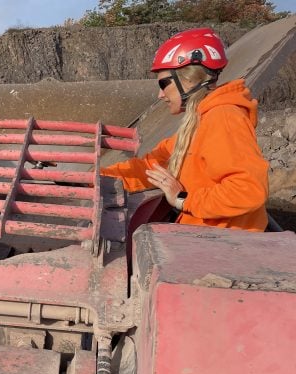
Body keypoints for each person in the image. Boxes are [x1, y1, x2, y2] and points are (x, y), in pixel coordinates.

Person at [102, 28, 269, 231]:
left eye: (164, 84)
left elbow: (248, 190)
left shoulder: (223, 117)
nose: (160, 95)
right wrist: (91, 179)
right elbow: (150, 167)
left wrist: (183, 199)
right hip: (204, 238)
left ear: (189, 78)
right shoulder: (199, 123)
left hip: (225, 247)